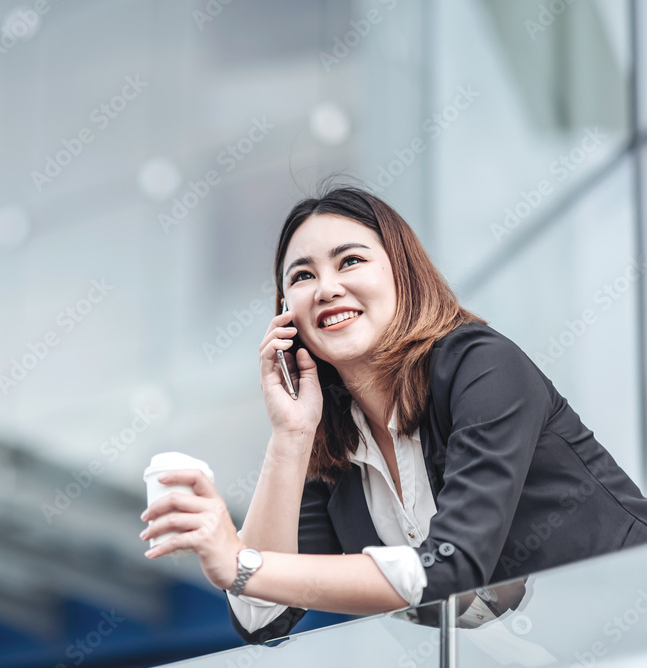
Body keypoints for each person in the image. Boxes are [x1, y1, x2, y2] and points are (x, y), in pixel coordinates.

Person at [138, 184, 647, 645]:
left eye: (350, 261)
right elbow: (261, 616)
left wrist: (240, 561)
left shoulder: (480, 364)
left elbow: (454, 567)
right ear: (286, 312)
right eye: (302, 275)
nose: (327, 288)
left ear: (403, 273)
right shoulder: (332, 440)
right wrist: (290, 435)